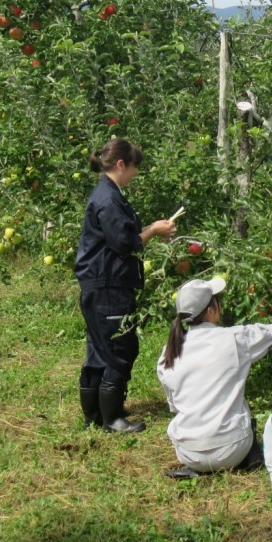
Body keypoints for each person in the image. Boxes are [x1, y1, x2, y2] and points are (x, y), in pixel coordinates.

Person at [75, 137, 178, 433]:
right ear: (121, 165)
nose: (135, 174)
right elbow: (124, 243)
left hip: (99, 281)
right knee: (120, 346)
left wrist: (151, 230)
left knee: (98, 347)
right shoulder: (108, 199)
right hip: (108, 284)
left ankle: (94, 415)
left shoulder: (108, 193)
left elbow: (119, 237)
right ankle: (113, 419)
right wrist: (154, 231)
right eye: (134, 168)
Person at [157, 278, 272, 477]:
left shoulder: (169, 352)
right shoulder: (235, 339)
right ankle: (249, 458)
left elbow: (174, 406)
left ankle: (200, 469)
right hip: (232, 450)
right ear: (211, 311)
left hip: (188, 453)